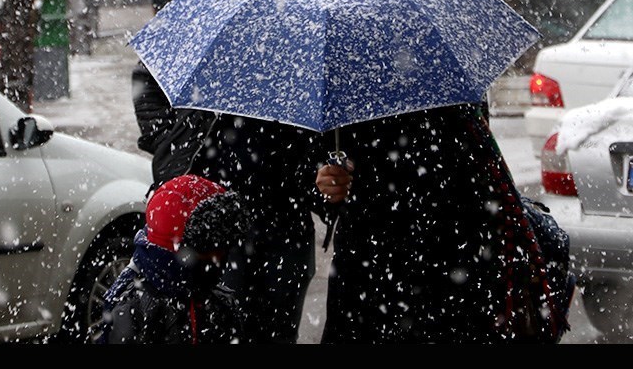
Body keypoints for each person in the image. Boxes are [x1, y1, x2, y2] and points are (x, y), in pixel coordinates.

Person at [314, 103, 565, 344]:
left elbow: (478, 167)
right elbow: (319, 165)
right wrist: (326, 184)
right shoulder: (347, 81)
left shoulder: (447, 83)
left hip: (453, 258)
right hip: (371, 265)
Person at [131, 64, 329, 344]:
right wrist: (167, 138)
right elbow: (148, 74)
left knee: (279, 332)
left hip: (285, 225)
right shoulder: (218, 32)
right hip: (217, 227)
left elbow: (316, 151)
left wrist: (325, 179)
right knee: (219, 330)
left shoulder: (298, 48)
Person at [97, 174, 249, 344]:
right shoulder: (139, 312)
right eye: (214, 248)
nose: (222, 256)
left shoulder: (218, 303)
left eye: (225, 246)